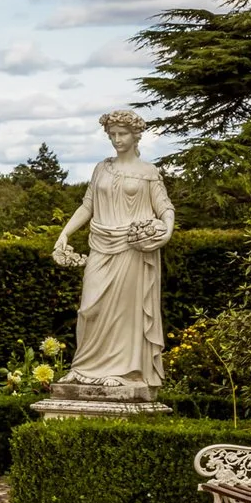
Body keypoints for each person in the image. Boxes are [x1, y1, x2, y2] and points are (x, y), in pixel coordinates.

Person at [50, 109, 174, 393]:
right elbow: (87, 206)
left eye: (122, 134)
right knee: (89, 308)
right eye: (112, 135)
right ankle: (83, 367)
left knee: (124, 313)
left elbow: (165, 208)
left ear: (135, 136)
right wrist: (65, 233)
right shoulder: (101, 168)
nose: (117, 140)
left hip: (131, 249)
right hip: (101, 246)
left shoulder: (148, 173)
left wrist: (165, 231)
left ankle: (123, 370)